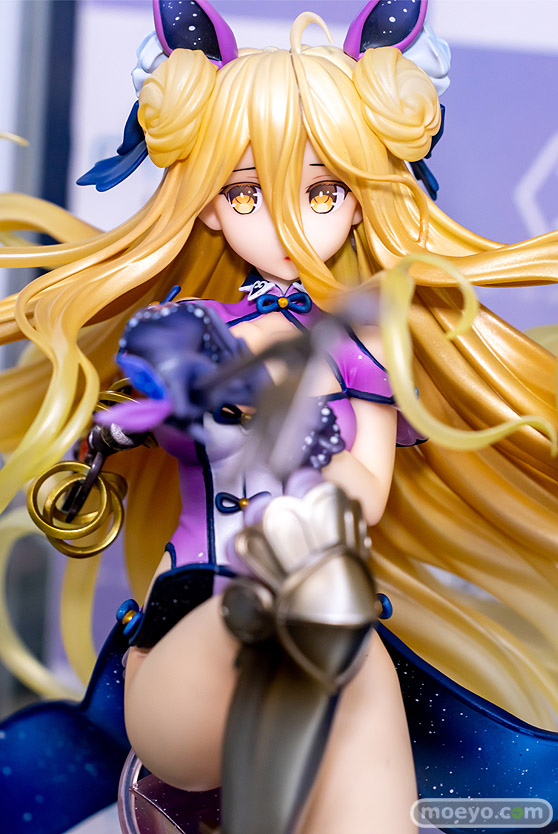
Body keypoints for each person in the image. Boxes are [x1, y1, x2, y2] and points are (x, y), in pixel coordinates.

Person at [0, 3, 557, 833]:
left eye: (323, 190)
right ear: (211, 206)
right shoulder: (193, 329)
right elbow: (153, 409)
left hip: (326, 629)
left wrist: (304, 444)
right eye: (247, 192)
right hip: (192, 639)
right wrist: (140, 417)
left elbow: (365, 494)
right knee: (286, 613)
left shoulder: (363, 346)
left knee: (346, 646)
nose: (289, 221)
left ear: (360, 201)